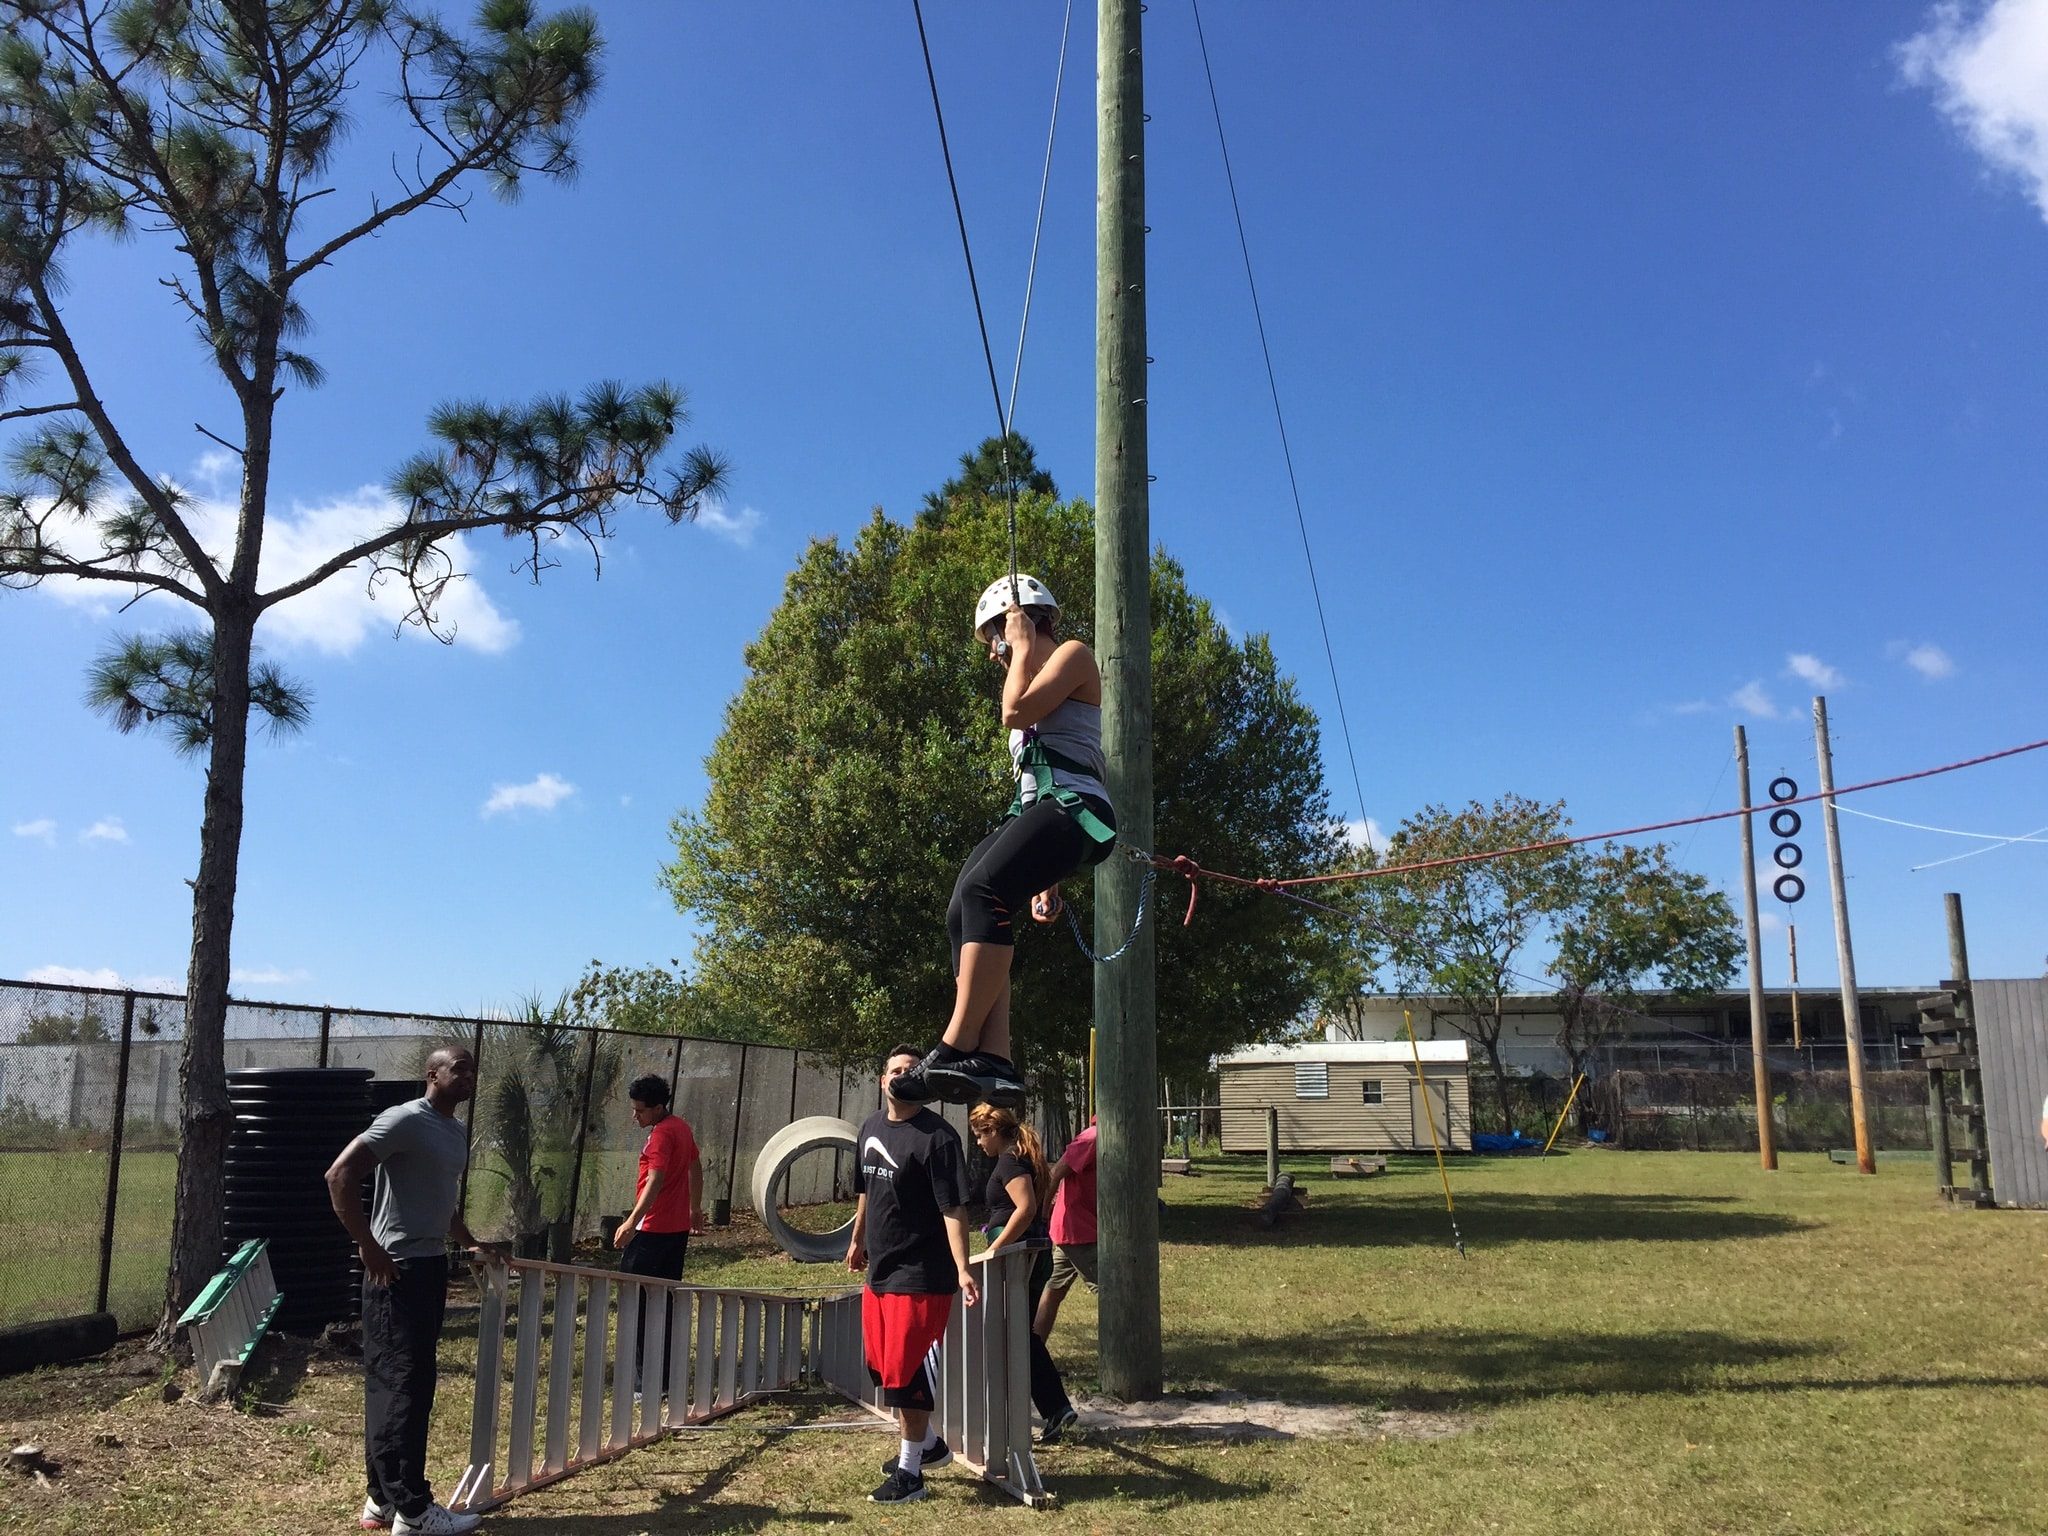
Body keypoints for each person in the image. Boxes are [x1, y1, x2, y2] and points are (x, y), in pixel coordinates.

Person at [892, 575, 1117, 1109]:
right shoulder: (1027, 671)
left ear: (1020, 621)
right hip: (1045, 813)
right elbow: (1032, 777)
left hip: (1079, 810)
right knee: (961, 906)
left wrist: (1019, 648)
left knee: (985, 891)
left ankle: (957, 1044)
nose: (995, 655)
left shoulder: (1074, 655)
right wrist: (1047, 880)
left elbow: (1014, 712)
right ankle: (994, 1058)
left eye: (995, 640)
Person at [325, 1046, 487, 1536]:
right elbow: (339, 1175)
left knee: (398, 1385)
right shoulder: (403, 1119)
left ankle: (382, 1502)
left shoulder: (455, 1131)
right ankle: (414, 1513)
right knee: (403, 1389)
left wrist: (470, 1241)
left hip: (430, 1264)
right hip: (396, 1271)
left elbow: (442, 1203)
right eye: (458, 1069)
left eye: (472, 1070)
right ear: (431, 1074)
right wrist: (368, 1246)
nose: (468, 1076)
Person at [848, 1044, 979, 1504]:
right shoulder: (868, 1128)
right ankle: (929, 1446)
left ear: (922, 1082)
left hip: (922, 1273)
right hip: (880, 1272)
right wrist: (858, 1239)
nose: (902, 1075)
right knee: (884, 1368)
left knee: (909, 1375)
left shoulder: (938, 1137)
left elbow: (954, 1207)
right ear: (883, 1081)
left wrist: (962, 1268)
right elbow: (865, 1189)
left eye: (911, 1070)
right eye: (895, 1070)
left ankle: (910, 1475)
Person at [969, 1103, 1079, 1442]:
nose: (978, 1143)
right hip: (1027, 1256)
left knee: (1015, 1335)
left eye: (979, 1136)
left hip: (1019, 1259)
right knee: (1018, 1335)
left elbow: (1027, 1208)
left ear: (993, 1132)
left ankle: (1053, 1408)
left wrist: (995, 1247)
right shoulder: (1019, 1157)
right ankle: (1051, 1408)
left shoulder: (1010, 1160)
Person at [612, 1074, 703, 1393]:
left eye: (640, 1111)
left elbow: (655, 1180)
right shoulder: (682, 1127)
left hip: (651, 1232)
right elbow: (696, 1165)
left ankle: (642, 1383)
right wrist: (694, 1208)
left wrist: (631, 1222)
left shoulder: (662, 1135)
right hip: (676, 1231)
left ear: (658, 1107)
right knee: (664, 1304)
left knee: (637, 1306)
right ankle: (664, 1379)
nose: (634, 1115)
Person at [1033, 1115, 1098, 1348]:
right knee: (1113, 1290)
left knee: (1053, 1290)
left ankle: (1035, 1351)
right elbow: (1056, 1173)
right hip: (1079, 1231)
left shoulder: (1110, 1137)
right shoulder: (1093, 1138)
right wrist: (1042, 1212)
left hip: (1075, 1229)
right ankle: (1125, 1354)